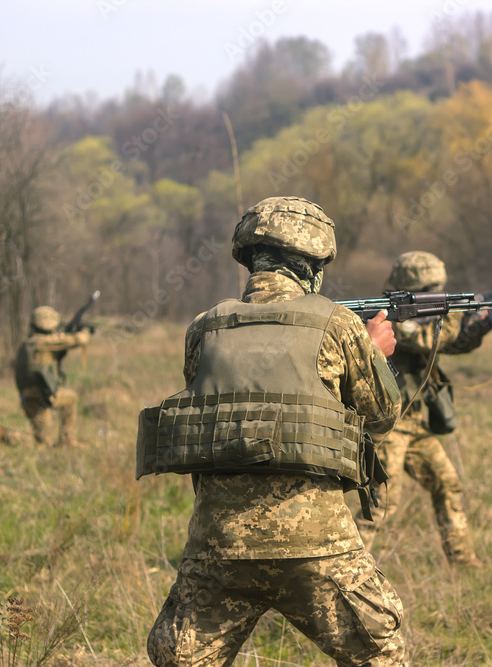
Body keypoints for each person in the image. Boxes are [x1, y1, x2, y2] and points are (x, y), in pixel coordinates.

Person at [144, 196, 406, 666]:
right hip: (318, 548)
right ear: (313, 264)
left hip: (219, 545)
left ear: (250, 260)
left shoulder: (204, 328)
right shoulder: (340, 325)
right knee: (381, 656)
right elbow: (382, 418)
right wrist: (376, 353)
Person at [364, 251, 492, 568]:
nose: (436, 294)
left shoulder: (425, 316)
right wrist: (455, 312)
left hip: (414, 423)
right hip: (388, 425)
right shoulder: (388, 316)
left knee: (447, 483)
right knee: (381, 503)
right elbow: (430, 339)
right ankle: (348, 571)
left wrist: (483, 324)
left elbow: (452, 344)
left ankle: (463, 562)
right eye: (430, 289)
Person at [13, 306, 91, 447]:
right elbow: (78, 340)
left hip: (27, 397)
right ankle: (67, 440)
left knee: (42, 440)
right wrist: (85, 330)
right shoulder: (45, 342)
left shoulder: (27, 343)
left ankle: (2, 434)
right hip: (42, 395)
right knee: (71, 399)